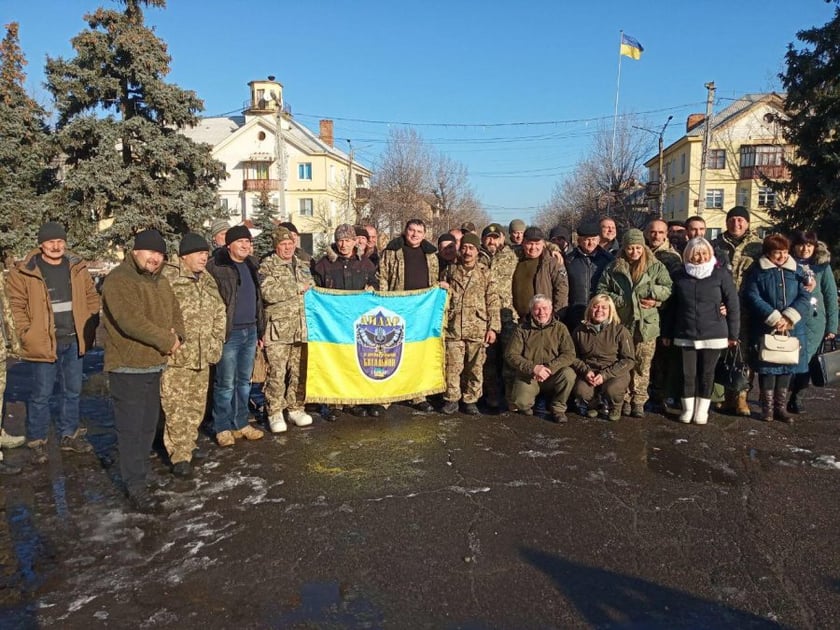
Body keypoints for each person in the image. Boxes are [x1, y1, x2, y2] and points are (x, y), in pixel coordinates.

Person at [100, 229, 184, 512]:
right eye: (150, 252)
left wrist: (179, 336)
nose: (155, 258)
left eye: (160, 254)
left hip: (154, 364)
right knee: (131, 429)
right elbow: (129, 321)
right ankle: (135, 485)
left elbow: (176, 312)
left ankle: (140, 476)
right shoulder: (118, 280)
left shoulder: (160, 281)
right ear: (135, 251)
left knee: (148, 426)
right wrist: (167, 340)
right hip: (127, 366)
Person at [6, 222, 100, 464]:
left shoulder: (76, 267)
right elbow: (16, 305)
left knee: (73, 391)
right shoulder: (27, 271)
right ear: (41, 244)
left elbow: (91, 296)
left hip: (73, 339)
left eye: (59, 241)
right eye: (50, 242)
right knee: (41, 393)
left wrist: (90, 320)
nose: (56, 246)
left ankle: (69, 434)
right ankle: (37, 439)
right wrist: (27, 331)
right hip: (43, 341)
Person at [160, 233, 226, 478]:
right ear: (185, 255)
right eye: (199, 254)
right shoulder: (168, 277)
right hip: (177, 356)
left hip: (202, 353)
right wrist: (167, 340)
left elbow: (220, 310)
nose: (204, 258)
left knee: (196, 406)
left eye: (206, 254)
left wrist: (217, 339)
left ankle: (188, 444)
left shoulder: (207, 279)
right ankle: (179, 455)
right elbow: (158, 312)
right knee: (176, 406)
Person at [662, 238, 740, 424]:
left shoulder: (720, 274)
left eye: (704, 252)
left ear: (710, 254)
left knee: (707, 373)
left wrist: (733, 334)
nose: (700, 256)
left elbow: (733, 304)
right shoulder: (680, 275)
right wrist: (666, 332)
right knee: (688, 374)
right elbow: (671, 307)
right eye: (696, 253)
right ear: (688, 254)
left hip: (714, 332)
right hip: (685, 332)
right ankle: (688, 410)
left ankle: (702, 412)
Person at [597, 229, 672, 418]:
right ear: (624, 248)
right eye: (630, 248)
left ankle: (638, 400)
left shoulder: (655, 266)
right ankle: (624, 399)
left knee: (642, 364)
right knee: (622, 362)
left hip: (646, 323)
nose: (634, 252)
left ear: (643, 247)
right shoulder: (614, 267)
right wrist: (622, 300)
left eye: (638, 247)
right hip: (622, 322)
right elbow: (601, 290)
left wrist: (653, 296)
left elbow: (667, 288)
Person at [206, 225, 266, 446]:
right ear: (229, 244)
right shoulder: (217, 267)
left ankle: (241, 422)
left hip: (250, 331)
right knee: (225, 383)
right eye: (241, 241)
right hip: (229, 333)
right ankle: (222, 426)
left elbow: (259, 301)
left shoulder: (252, 265)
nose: (245, 245)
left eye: (248, 241)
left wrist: (260, 330)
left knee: (244, 382)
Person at [743, 234, 812, 423]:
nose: (781, 257)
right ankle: (767, 409)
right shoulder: (758, 271)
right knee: (768, 366)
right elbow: (752, 296)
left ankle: (780, 407)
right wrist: (773, 317)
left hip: (791, 327)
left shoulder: (797, 271)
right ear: (768, 253)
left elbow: (805, 296)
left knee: (786, 366)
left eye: (784, 252)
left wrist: (790, 316)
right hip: (767, 326)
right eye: (776, 253)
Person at [311, 224, 378, 418]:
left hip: (358, 323)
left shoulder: (365, 263)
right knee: (335, 362)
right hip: (332, 324)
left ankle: (354, 401)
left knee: (356, 361)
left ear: (355, 241)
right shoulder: (324, 264)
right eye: (340, 240)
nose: (344, 244)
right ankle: (335, 404)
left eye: (348, 240)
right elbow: (315, 287)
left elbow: (376, 281)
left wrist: (372, 286)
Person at [379, 219, 440, 412]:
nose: (414, 234)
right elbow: (383, 277)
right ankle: (386, 395)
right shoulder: (391, 251)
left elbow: (434, 281)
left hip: (421, 312)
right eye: (411, 230)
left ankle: (417, 395)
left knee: (417, 354)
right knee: (390, 352)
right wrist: (384, 304)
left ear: (424, 234)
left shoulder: (431, 255)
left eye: (419, 231)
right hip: (396, 310)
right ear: (405, 231)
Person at [441, 232, 500, 415]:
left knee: (475, 367)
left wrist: (493, 328)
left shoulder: (485, 273)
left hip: (477, 326)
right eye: (465, 247)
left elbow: (493, 301)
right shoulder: (450, 271)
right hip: (454, 326)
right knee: (452, 366)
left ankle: (471, 399)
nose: (467, 252)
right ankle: (451, 399)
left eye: (471, 248)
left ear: (477, 251)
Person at [712, 206, 763, 416]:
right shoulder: (716, 245)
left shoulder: (758, 247)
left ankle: (742, 398)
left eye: (741, 220)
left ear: (748, 223)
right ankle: (725, 397)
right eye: (732, 219)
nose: (736, 224)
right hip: (720, 308)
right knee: (722, 354)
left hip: (747, 308)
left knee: (744, 355)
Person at [787, 231, 838, 414]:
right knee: (787, 358)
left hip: (815, 323)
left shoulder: (821, 267)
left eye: (809, 245)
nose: (805, 249)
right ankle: (777, 397)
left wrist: (832, 326)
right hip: (791, 319)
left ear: (814, 247)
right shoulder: (787, 264)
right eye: (801, 244)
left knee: (806, 362)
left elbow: (831, 296)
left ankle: (797, 398)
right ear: (794, 246)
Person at [505, 294, 576, 423]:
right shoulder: (521, 330)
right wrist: (533, 368)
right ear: (531, 311)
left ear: (551, 309)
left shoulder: (560, 328)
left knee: (569, 375)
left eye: (545, 308)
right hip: (530, 375)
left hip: (553, 374)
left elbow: (569, 354)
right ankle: (529, 402)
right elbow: (511, 355)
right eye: (537, 309)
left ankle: (558, 408)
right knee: (521, 403)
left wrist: (549, 368)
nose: (541, 312)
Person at [570, 294, 635, 422]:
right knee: (581, 391)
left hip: (613, 371)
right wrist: (585, 371)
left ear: (610, 311)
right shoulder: (579, 331)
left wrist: (605, 375)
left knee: (612, 390)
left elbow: (629, 360)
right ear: (590, 309)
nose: (599, 310)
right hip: (590, 370)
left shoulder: (620, 331)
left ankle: (615, 406)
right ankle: (592, 404)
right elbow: (572, 356)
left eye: (604, 308)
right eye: (596, 307)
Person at [480, 223, 519, 410]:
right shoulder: (476, 257)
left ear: (503, 238)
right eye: (488, 237)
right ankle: (492, 395)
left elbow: (538, 247)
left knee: (510, 357)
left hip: (508, 315)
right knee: (488, 359)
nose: (492, 241)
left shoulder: (513, 256)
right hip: (483, 316)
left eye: (496, 237)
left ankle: (511, 397)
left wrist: (553, 249)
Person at [511, 226, 569, 323]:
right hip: (519, 321)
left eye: (537, 244)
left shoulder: (552, 262)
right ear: (523, 243)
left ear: (543, 244)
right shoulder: (514, 260)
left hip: (544, 319)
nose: (533, 247)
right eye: (530, 243)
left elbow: (562, 289)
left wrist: (556, 316)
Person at [563, 220, 613, 330]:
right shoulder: (569, 260)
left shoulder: (608, 260)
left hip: (600, 313)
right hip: (575, 314)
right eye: (587, 240)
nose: (591, 243)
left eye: (594, 239)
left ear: (599, 239)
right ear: (579, 240)